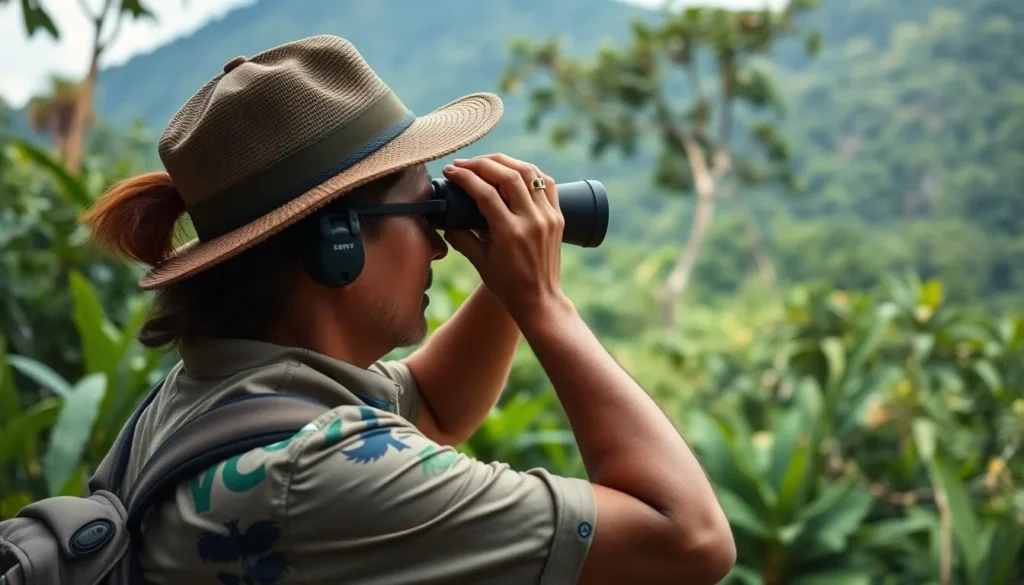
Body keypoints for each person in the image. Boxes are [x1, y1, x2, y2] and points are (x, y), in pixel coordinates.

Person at [78, 34, 735, 585]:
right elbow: (689, 539)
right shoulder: (311, 473)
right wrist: (543, 303)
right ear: (337, 242)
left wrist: (509, 270)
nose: (439, 247)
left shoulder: (214, 394)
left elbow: (436, 404)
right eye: (426, 210)